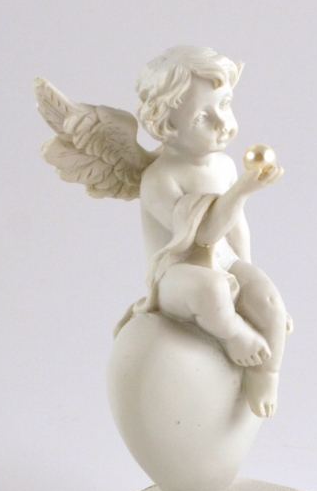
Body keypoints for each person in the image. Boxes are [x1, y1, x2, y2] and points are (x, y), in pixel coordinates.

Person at [124, 45, 291, 418]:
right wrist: (241, 191)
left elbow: (237, 228)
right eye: (202, 117)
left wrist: (251, 281)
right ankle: (236, 336)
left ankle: (266, 374)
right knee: (212, 289)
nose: (223, 123)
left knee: (269, 297)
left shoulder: (226, 165)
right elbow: (205, 235)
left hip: (224, 264)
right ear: (166, 126)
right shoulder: (160, 179)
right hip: (176, 279)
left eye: (225, 104)